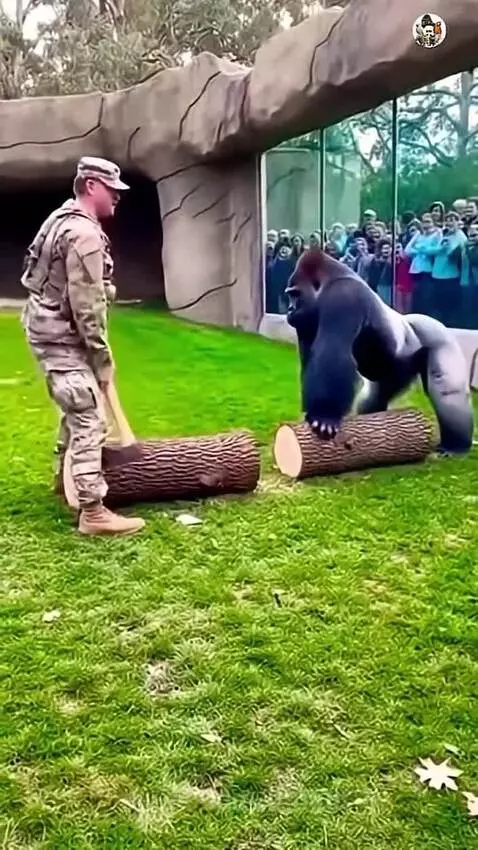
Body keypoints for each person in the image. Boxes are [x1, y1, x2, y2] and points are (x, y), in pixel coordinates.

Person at [20, 156, 145, 536]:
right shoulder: (85, 236)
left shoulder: (61, 218)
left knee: (75, 401)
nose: (117, 198)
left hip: (45, 327)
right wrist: (102, 360)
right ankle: (93, 510)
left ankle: (64, 479)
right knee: (90, 414)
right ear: (91, 185)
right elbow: (88, 308)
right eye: (112, 190)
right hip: (60, 334)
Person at [430, 210, 467, 327]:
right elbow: (436, 250)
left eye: (453, 220)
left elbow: (454, 255)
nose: (450, 223)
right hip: (437, 274)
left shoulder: (461, 237)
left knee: (449, 308)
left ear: (458, 222)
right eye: (448, 220)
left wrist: (443, 249)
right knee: (438, 305)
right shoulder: (444, 235)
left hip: (450, 276)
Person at [405, 211, 441, 316]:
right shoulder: (418, 234)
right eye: (424, 221)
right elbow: (407, 250)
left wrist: (422, 249)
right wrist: (419, 250)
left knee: (426, 296)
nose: (425, 224)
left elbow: (438, 250)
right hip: (415, 269)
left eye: (428, 222)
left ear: (433, 222)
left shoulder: (437, 233)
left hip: (428, 269)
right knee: (416, 296)